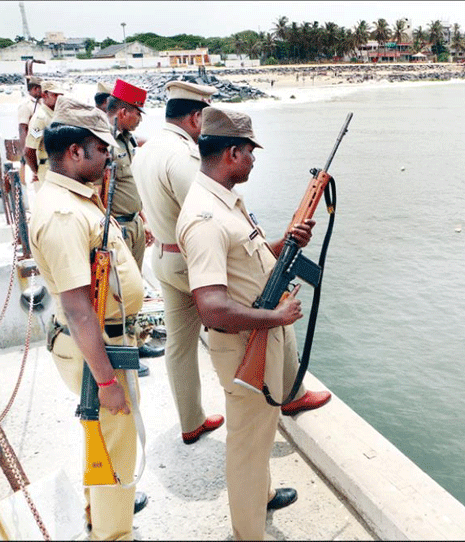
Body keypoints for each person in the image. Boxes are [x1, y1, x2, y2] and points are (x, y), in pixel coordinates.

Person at [176, 107, 316, 538]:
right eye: (251, 152)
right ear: (232, 153)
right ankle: (249, 531)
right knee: (248, 447)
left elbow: (245, 259)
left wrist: (283, 242)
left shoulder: (224, 202)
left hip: (255, 339)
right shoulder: (205, 219)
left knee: (259, 434)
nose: (255, 160)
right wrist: (275, 316)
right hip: (242, 347)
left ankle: (262, 494)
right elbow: (212, 307)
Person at [28, 96, 147, 540]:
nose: (109, 158)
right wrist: (108, 383)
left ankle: (99, 507)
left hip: (103, 339)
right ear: (75, 152)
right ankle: (113, 533)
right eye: (102, 150)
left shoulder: (74, 196)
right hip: (98, 346)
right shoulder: (62, 213)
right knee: (117, 445)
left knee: (103, 436)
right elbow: (79, 311)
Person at [132, 80, 226, 444]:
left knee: (180, 346)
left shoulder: (149, 148)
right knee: (257, 321)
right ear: (197, 117)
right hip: (190, 261)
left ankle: (191, 421)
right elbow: (208, 211)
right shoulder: (182, 155)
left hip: (164, 258)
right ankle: (282, 399)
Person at [105, 79, 163, 365]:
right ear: (124, 111)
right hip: (116, 227)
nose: (140, 119)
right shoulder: (104, 142)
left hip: (134, 223)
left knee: (136, 287)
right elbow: (97, 189)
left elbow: (130, 185)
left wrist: (143, 219)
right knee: (119, 293)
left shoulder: (126, 140)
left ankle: (137, 342)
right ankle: (124, 352)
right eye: (138, 112)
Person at [23, 80, 65, 190]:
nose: (59, 98)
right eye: (55, 95)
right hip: (48, 169)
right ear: (44, 95)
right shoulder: (40, 119)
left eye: (61, 95)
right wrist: (37, 172)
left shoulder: (56, 115)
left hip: (59, 168)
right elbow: (29, 151)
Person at [17, 75, 42, 154]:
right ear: (35, 89)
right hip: (32, 146)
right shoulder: (26, 105)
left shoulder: (39, 103)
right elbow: (22, 129)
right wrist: (25, 152)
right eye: (42, 89)